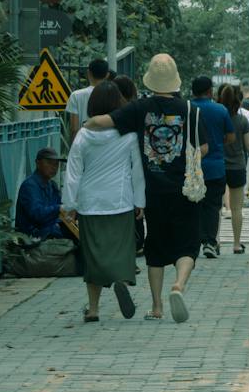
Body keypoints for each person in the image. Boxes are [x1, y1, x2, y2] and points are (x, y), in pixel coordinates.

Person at [82, 53, 206, 322]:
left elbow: (105, 121)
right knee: (187, 245)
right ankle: (179, 286)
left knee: (156, 248)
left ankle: (157, 307)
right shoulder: (191, 110)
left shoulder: (140, 108)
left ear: (151, 81)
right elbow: (203, 147)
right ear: (175, 81)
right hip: (185, 190)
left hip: (153, 191)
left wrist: (87, 124)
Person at [63, 81, 143, 322]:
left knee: (93, 255)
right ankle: (119, 278)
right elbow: (136, 169)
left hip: (90, 202)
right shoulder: (128, 134)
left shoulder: (84, 135)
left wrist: (69, 205)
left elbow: (73, 171)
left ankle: (94, 309)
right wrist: (140, 201)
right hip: (120, 200)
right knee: (119, 250)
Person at [189, 75, 233, 259]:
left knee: (194, 206)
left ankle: (194, 242)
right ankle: (209, 242)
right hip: (215, 166)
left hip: (192, 167)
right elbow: (230, 137)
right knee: (213, 206)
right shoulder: (220, 109)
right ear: (210, 91)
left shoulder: (187, 108)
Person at [217, 84, 249, 253]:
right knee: (237, 208)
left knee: (216, 207)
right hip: (238, 167)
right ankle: (236, 244)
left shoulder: (217, 118)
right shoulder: (242, 120)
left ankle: (214, 241)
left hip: (218, 167)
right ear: (239, 101)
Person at [15, 147, 69, 240]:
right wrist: (59, 208)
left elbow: (61, 207)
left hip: (47, 230)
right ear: (38, 163)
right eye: (49, 163)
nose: (54, 167)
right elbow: (37, 214)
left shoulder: (52, 185)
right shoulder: (30, 185)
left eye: (56, 164)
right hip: (32, 236)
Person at [66, 58, 111, 138]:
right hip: (106, 144)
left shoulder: (76, 95)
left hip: (84, 143)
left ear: (88, 73)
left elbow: (74, 128)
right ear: (107, 75)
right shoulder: (113, 94)